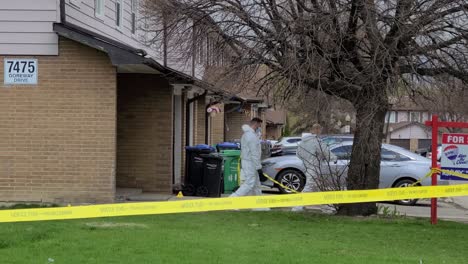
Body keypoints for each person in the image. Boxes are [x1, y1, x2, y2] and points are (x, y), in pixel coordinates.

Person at [292, 124, 337, 212]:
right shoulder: (316, 141)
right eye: (320, 129)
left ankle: (326, 207)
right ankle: (297, 207)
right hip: (314, 167)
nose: (320, 131)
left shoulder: (303, 142)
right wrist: (334, 158)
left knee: (319, 188)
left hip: (307, 166)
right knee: (309, 187)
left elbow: (298, 154)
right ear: (316, 130)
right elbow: (325, 151)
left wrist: (307, 160)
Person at [230, 118, 264, 197]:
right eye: (259, 125)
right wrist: (259, 168)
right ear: (256, 124)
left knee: (256, 185)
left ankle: (259, 205)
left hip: (249, 162)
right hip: (250, 163)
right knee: (249, 183)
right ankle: (232, 199)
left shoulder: (247, 134)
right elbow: (254, 153)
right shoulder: (251, 136)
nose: (260, 127)